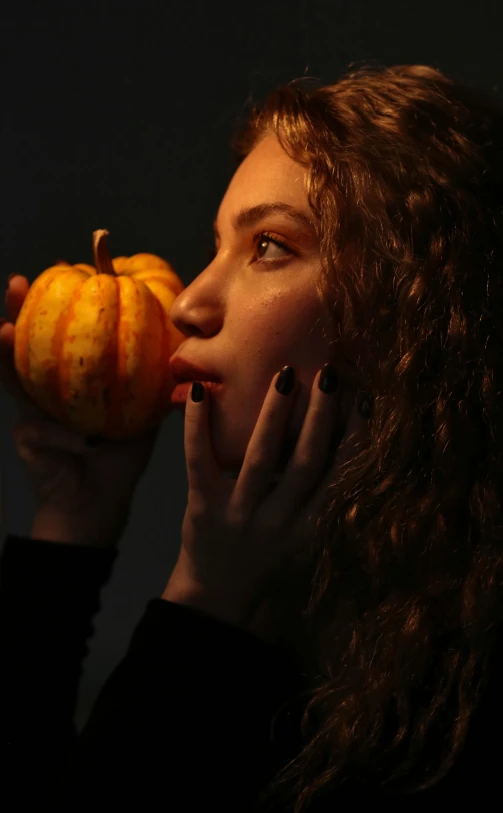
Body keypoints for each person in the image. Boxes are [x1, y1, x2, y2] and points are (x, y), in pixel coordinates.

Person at [1, 62, 503, 813]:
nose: (189, 303)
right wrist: (73, 526)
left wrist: (200, 605)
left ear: (413, 312)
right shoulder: (299, 624)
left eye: (267, 247)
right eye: (215, 246)